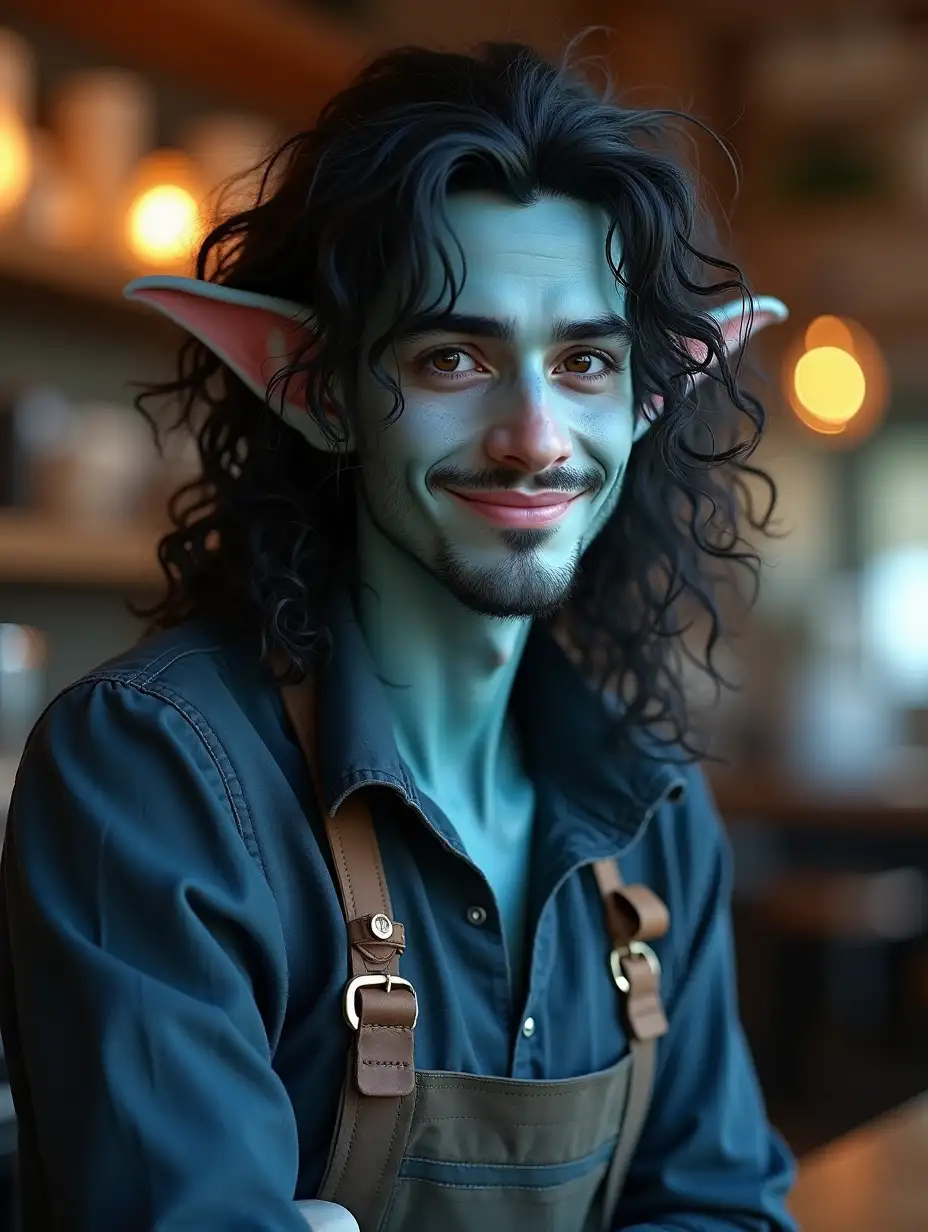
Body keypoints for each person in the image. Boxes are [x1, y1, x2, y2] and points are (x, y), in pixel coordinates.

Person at [0, 39, 796, 1232]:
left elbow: (725, 1207)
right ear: (318, 392)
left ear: (641, 404)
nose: (533, 436)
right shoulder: (153, 777)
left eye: (583, 360)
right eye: (454, 356)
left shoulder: (657, 813)